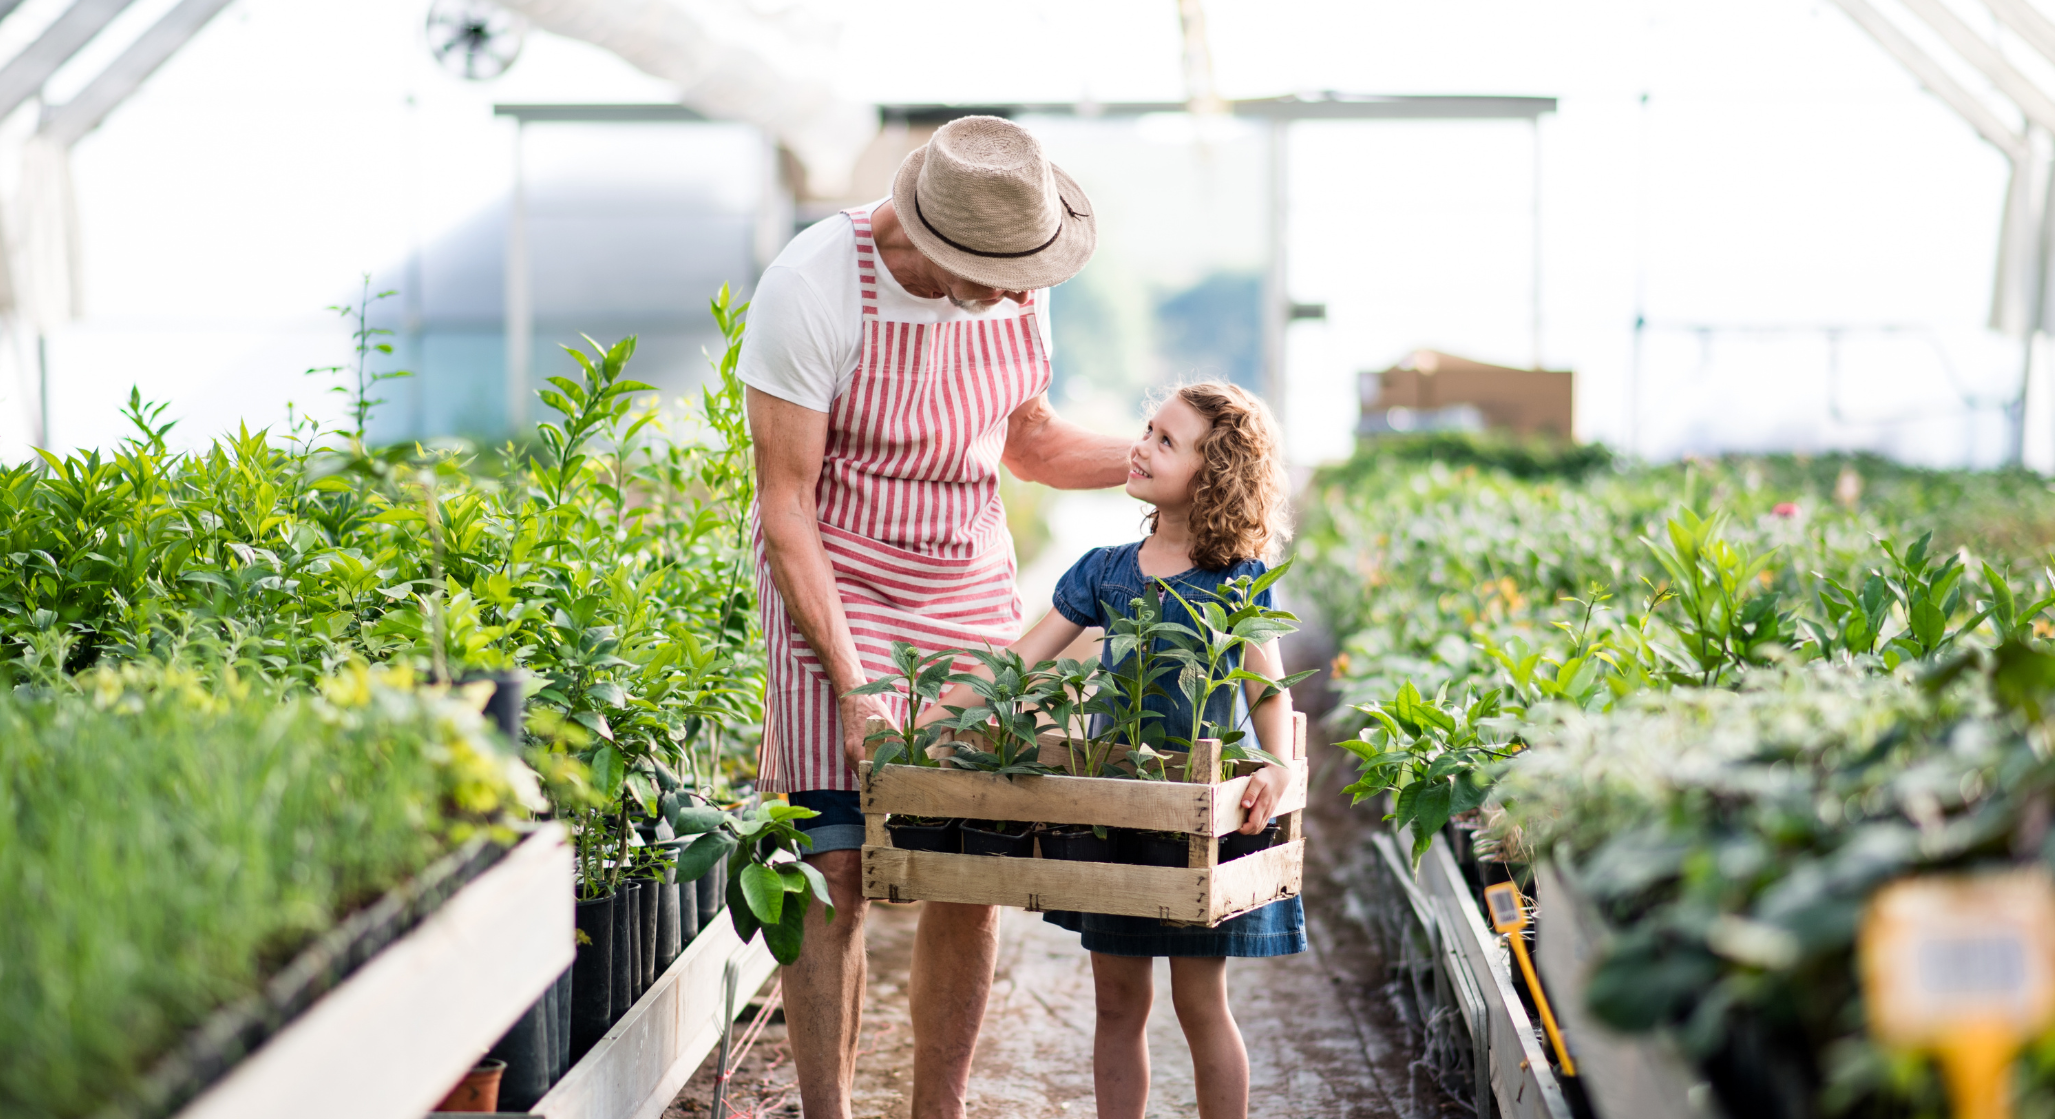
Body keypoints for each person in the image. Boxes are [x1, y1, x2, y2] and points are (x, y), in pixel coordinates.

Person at [741, 114, 1130, 1119]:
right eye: (997, 274)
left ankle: (936, 1111)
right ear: (935, 243)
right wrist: (855, 685)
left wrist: (1164, 463)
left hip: (962, 580)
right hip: (836, 579)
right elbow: (785, 508)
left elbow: (1028, 441)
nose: (1017, 295)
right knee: (832, 864)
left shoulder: (1017, 283)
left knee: (972, 859)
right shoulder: (814, 284)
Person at [927, 381, 1305, 1119]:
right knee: (1116, 1004)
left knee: (1201, 1006)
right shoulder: (1102, 570)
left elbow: (1269, 693)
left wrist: (1280, 765)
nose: (1140, 446)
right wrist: (932, 720)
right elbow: (1020, 659)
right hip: (1116, 816)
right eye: (1146, 429)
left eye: (1166, 439)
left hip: (1199, 819)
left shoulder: (1236, 585)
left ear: (1216, 471)